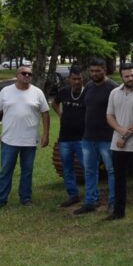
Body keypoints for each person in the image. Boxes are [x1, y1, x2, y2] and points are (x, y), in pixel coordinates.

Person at [0, 66, 50, 208]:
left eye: (29, 74)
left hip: (30, 140)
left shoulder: (37, 92)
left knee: (27, 171)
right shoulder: (6, 92)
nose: (27, 75)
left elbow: (45, 114)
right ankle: (0, 200)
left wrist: (46, 135)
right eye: (24, 73)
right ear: (17, 75)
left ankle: (26, 199)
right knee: (6, 170)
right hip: (9, 140)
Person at [106, 63, 133, 223]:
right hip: (117, 143)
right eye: (127, 76)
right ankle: (119, 211)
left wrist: (125, 137)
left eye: (132, 75)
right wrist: (120, 130)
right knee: (119, 178)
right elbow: (109, 115)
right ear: (122, 76)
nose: (131, 78)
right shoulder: (114, 93)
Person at [75, 59, 117, 214]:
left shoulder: (113, 88)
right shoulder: (89, 87)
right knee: (90, 170)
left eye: (97, 71)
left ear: (105, 70)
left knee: (112, 170)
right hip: (88, 137)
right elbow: (84, 108)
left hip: (107, 137)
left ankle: (113, 202)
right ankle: (90, 201)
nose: (94, 74)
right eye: (92, 71)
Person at [52, 65, 88, 208]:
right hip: (65, 138)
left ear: (83, 78)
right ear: (69, 79)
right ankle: (73, 195)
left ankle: (92, 195)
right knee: (67, 168)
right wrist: (61, 114)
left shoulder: (88, 92)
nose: (77, 82)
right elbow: (55, 102)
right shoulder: (64, 92)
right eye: (74, 79)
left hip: (83, 138)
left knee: (87, 167)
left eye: (79, 79)